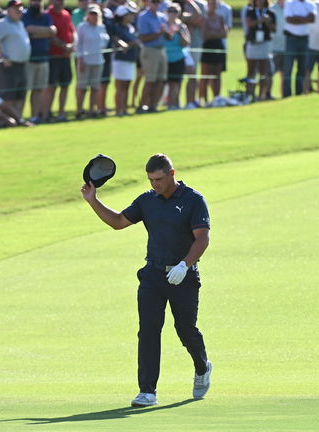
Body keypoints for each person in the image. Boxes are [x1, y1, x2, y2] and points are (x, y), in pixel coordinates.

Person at [80, 153, 212, 408]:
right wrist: (93, 201)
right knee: (148, 331)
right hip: (152, 275)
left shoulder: (193, 200)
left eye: (159, 179)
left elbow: (202, 238)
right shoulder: (147, 201)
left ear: (172, 174)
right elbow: (118, 222)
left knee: (185, 330)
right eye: (151, 180)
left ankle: (202, 366)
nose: (155, 184)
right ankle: (147, 391)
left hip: (183, 276)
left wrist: (185, 265)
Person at [0, 0, 30, 122]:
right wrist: (1, 56)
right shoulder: (3, 23)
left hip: (22, 64)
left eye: (20, 8)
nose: (19, 10)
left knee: (20, 95)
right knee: (8, 96)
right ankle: (6, 121)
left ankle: (18, 120)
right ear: (9, 10)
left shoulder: (20, 23)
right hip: (10, 65)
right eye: (16, 8)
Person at [22, 0, 56, 123]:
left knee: (38, 89)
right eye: (33, 1)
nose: (36, 3)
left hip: (43, 59)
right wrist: (44, 32)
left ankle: (34, 116)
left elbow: (52, 31)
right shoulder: (25, 16)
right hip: (28, 59)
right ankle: (20, 117)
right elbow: (27, 29)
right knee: (25, 89)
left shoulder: (46, 16)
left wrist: (35, 33)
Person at [43, 0, 76, 122]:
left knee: (65, 85)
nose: (60, 2)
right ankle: (46, 114)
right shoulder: (47, 14)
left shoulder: (66, 14)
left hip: (66, 57)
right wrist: (65, 46)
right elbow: (50, 36)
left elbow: (72, 32)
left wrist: (72, 46)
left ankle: (61, 113)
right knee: (51, 86)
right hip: (54, 56)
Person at [75, 4, 109, 117]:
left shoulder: (101, 27)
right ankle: (79, 110)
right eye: (92, 14)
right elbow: (78, 44)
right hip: (85, 61)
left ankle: (92, 109)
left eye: (96, 14)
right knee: (82, 87)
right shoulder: (82, 26)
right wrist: (80, 59)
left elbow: (104, 42)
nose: (94, 16)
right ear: (88, 15)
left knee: (95, 87)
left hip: (98, 61)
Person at [137, 0, 169, 113]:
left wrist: (169, 32)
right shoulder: (143, 17)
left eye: (158, 2)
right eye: (154, 2)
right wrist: (159, 33)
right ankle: (142, 106)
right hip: (150, 50)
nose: (156, 4)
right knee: (150, 80)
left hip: (161, 50)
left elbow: (167, 37)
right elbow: (143, 38)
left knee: (160, 80)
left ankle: (153, 106)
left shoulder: (162, 17)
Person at [282, 0, 316, 97]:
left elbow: (312, 19)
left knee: (302, 68)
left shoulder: (310, 4)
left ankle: (299, 93)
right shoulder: (289, 3)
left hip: (304, 39)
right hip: (291, 38)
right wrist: (305, 18)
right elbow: (289, 19)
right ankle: (287, 94)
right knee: (288, 68)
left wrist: (297, 17)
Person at [112, 3, 140, 116]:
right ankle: (119, 110)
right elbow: (117, 41)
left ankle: (124, 109)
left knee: (127, 85)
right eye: (130, 14)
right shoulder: (117, 28)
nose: (133, 16)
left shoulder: (131, 28)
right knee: (120, 86)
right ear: (124, 16)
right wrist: (132, 43)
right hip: (120, 60)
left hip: (130, 59)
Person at [244, 0, 276, 100]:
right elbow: (249, 24)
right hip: (253, 43)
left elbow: (274, 29)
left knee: (263, 71)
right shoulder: (250, 11)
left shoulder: (270, 13)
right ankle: (249, 94)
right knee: (251, 71)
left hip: (264, 44)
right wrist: (259, 20)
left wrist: (268, 21)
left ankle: (262, 95)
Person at [199, 0, 227, 104]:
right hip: (208, 47)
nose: (212, 6)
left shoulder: (220, 17)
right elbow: (205, 34)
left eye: (214, 4)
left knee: (217, 75)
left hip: (218, 47)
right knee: (206, 75)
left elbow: (224, 34)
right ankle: (204, 100)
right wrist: (217, 33)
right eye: (210, 4)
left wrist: (213, 33)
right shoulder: (204, 18)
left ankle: (216, 98)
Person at [163, 2, 190, 110]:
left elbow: (186, 43)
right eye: (170, 11)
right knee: (164, 83)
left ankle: (173, 105)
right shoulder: (163, 25)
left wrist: (179, 33)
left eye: (175, 11)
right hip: (164, 58)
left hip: (178, 58)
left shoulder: (182, 26)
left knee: (175, 83)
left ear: (178, 13)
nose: (172, 13)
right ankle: (164, 103)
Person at [181, 0, 206, 109]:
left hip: (195, 44)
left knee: (193, 75)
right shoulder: (176, 4)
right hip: (178, 47)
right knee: (176, 77)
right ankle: (174, 102)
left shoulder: (199, 4)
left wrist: (190, 3)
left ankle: (190, 101)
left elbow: (199, 20)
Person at [270, 0, 285, 97]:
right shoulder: (271, 8)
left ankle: (284, 95)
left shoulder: (290, 7)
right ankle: (267, 94)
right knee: (270, 73)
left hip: (287, 47)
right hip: (273, 48)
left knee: (284, 74)